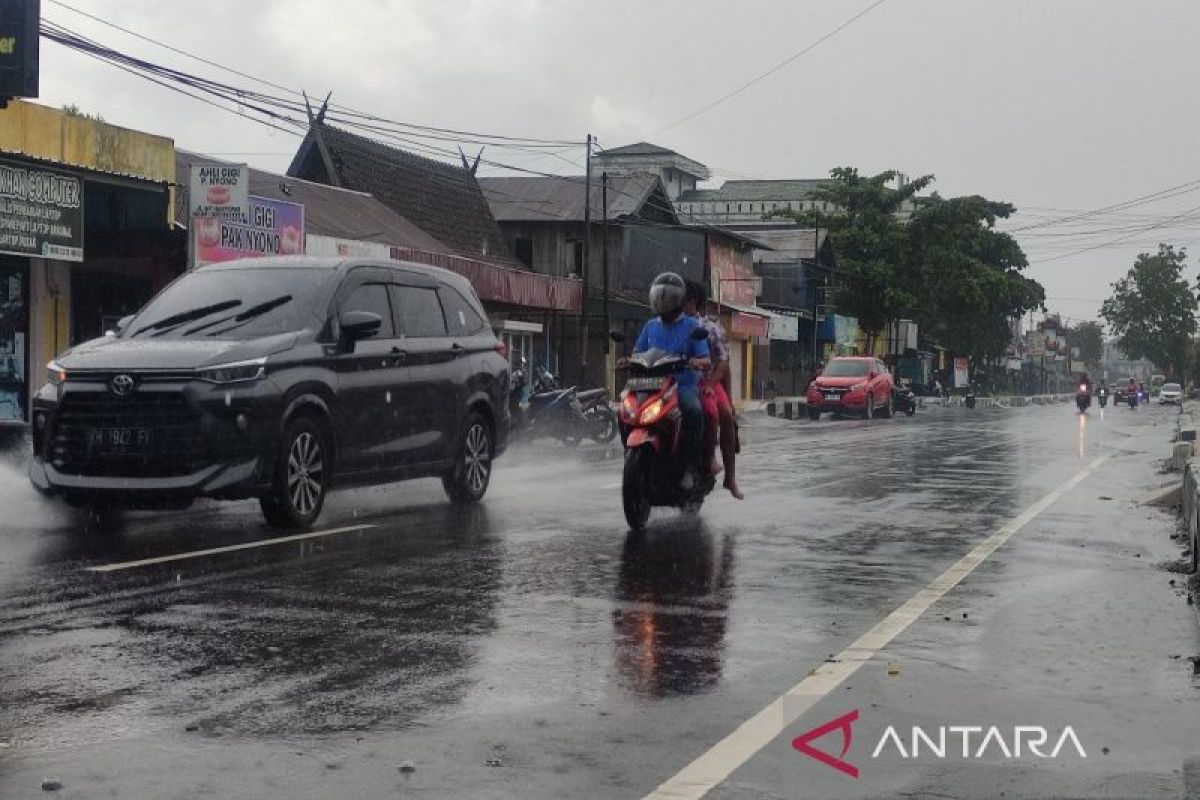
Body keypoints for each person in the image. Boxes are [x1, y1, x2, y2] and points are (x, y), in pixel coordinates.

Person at [633, 272, 710, 487]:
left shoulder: (692, 326)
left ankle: (689, 467)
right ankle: (631, 452)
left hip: (681, 386)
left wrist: (696, 362)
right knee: (627, 410)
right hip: (651, 384)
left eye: (667, 298)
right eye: (660, 297)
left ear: (678, 301)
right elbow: (637, 352)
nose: (662, 302)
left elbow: (705, 358)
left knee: (694, 412)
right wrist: (628, 361)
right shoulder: (650, 326)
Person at [683, 280, 743, 500]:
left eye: (684, 300)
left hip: (705, 381)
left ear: (695, 303)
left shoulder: (709, 328)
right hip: (674, 381)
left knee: (724, 415)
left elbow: (723, 363)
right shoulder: (667, 323)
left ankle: (729, 477)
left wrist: (710, 384)